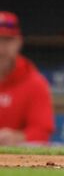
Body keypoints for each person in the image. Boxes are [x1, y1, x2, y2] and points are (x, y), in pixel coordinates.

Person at [0, 11, 54, 146]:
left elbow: (42, 132)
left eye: (7, 40)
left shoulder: (34, 82)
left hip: (15, 160)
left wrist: (17, 137)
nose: (1, 49)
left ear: (18, 42)